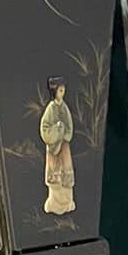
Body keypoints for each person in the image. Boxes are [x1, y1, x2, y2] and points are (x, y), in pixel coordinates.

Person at [40, 79, 75, 216]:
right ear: (55, 92)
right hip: (54, 148)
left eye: (63, 90)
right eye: (60, 90)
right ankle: (54, 203)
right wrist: (57, 130)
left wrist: (64, 133)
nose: (63, 92)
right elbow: (45, 128)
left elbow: (69, 125)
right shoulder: (50, 108)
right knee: (56, 174)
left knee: (65, 173)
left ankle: (67, 202)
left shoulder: (64, 107)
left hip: (64, 146)